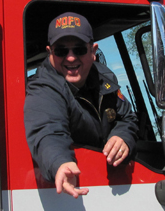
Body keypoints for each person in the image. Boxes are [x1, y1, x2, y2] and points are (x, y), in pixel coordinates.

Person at [24, 12, 138, 198]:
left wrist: (122, 137)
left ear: (93, 52)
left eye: (79, 49)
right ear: (50, 53)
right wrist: (60, 162)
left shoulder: (106, 79)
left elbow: (127, 118)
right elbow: (47, 130)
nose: (70, 58)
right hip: (76, 187)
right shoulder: (43, 88)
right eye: (61, 51)